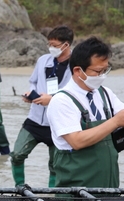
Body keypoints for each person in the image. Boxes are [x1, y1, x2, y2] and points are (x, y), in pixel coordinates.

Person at [47, 36, 124, 189]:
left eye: (105, 70)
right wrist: (114, 122)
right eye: (98, 71)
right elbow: (76, 141)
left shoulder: (105, 94)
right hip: (77, 192)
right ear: (78, 71)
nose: (103, 75)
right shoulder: (62, 101)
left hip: (109, 187)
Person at [11, 26, 74, 187]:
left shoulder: (75, 67)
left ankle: (52, 195)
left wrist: (52, 99)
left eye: (54, 44)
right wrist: (30, 94)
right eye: (49, 44)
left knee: (55, 164)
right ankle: (20, 187)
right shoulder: (43, 60)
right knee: (17, 154)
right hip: (35, 118)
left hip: (57, 123)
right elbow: (33, 81)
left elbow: (75, 94)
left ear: (66, 45)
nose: (51, 47)